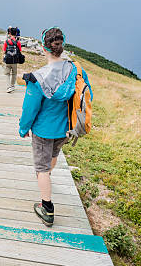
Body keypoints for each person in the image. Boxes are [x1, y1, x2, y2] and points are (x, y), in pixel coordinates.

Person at [18, 27, 92, 227]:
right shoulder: (75, 70)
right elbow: (86, 95)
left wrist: (23, 128)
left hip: (43, 130)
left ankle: (47, 209)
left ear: (44, 48)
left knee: (41, 168)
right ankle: (47, 180)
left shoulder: (38, 78)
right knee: (52, 158)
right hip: (65, 128)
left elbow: (30, 108)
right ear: (61, 46)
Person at [2, 27, 22, 93]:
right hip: (14, 60)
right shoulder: (18, 42)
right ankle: (12, 85)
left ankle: (8, 87)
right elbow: (20, 51)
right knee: (14, 73)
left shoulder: (6, 41)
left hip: (7, 60)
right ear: (16, 33)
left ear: (10, 33)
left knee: (7, 74)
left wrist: (3, 58)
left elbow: (4, 51)